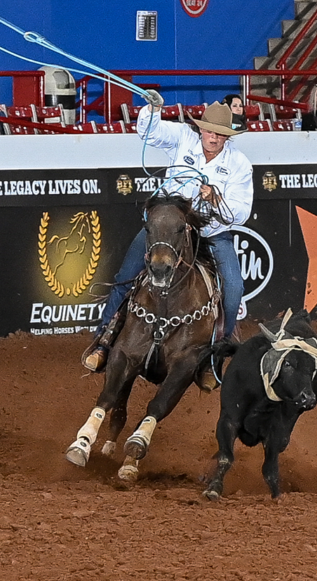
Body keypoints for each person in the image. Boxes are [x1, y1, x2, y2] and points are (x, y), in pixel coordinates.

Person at [82, 91, 253, 382]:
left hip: (212, 233)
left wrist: (215, 199)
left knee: (234, 287)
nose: (213, 138)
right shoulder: (184, 138)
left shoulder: (239, 164)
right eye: (210, 131)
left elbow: (241, 212)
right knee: (126, 275)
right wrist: (153, 108)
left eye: (220, 134)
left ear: (228, 136)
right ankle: (103, 341)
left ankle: (215, 356)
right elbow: (148, 132)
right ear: (201, 129)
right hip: (167, 227)